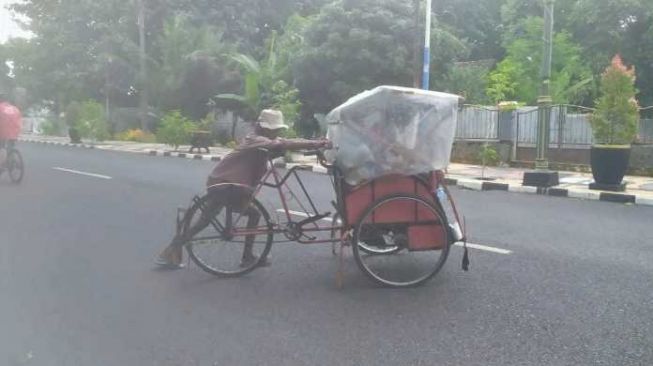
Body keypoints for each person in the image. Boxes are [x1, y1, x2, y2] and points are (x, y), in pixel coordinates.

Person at [155, 109, 331, 269]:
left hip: (224, 183)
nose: (277, 131)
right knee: (248, 215)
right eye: (274, 129)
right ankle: (246, 256)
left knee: (206, 220)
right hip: (227, 185)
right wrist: (315, 143)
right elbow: (283, 143)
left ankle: (171, 250)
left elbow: (277, 148)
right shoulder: (256, 139)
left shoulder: (259, 141)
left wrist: (309, 146)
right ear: (265, 128)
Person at [0, 93, 23, 167]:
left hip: (3, 130)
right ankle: (11, 159)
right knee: (10, 145)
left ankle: (2, 163)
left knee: (2, 146)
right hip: (15, 131)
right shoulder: (15, 108)